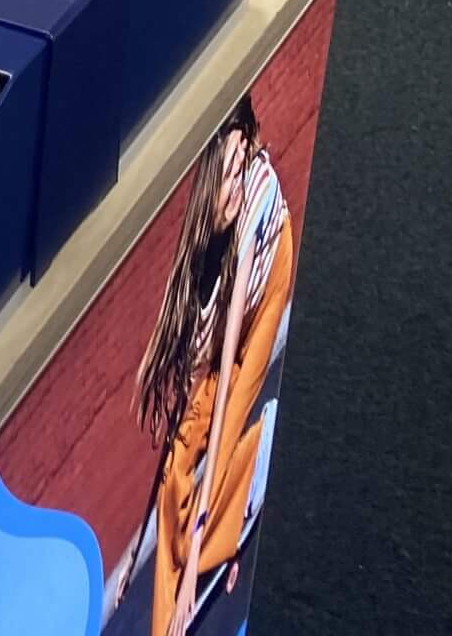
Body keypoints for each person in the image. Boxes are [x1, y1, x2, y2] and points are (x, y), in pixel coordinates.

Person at [105, 95, 293, 636]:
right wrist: (138, 547)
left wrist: (192, 576)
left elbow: (230, 357)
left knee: (228, 421)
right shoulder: (198, 258)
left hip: (266, 281)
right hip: (229, 311)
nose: (233, 189)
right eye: (225, 176)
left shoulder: (254, 204)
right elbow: (177, 423)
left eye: (239, 169)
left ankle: (257, 455)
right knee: (175, 471)